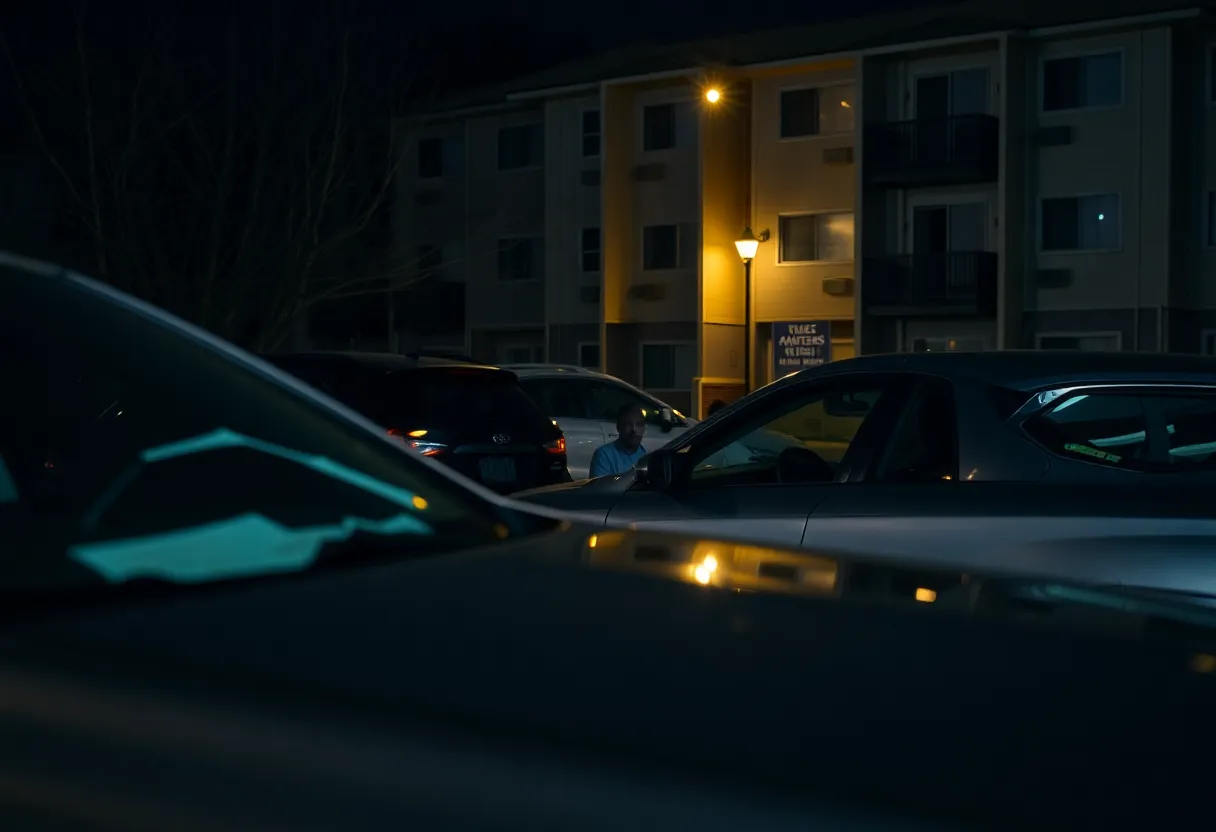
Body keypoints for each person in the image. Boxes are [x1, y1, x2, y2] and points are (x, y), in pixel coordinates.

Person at [589, 403, 648, 478]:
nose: (634, 430)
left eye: (639, 425)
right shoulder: (604, 455)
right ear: (618, 427)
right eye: (628, 424)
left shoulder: (642, 453)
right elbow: (599, 488)